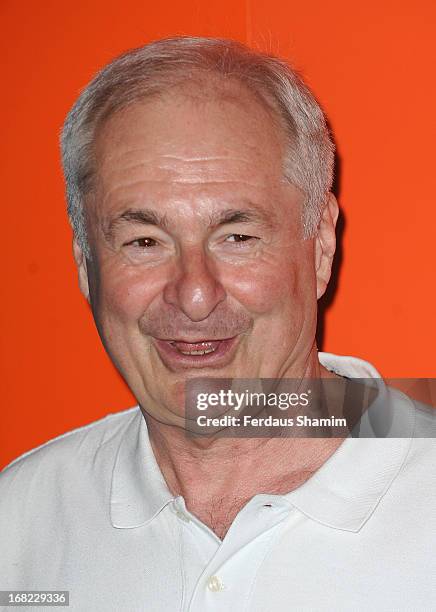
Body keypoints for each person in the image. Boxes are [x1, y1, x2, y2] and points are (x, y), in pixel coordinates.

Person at [0, 37, 434, 611]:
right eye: (144, 241)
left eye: (237, 237)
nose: (196, 295)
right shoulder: (21, 520)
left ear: (321, 242)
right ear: (85, 263)